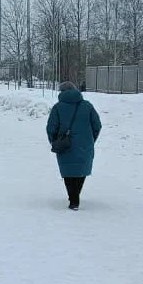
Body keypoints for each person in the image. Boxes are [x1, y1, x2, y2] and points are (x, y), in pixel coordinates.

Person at [46, 81, 102, 210]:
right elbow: (97, 125)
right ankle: (75, 196)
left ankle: (73, 199)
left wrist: (54, 141)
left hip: (65, 144)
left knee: (68, 171)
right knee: (81, 170)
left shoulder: (57, 107)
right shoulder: (87, 106)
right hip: (85, 144)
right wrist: (90, 139)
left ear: (62, 92)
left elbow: (51, 128)